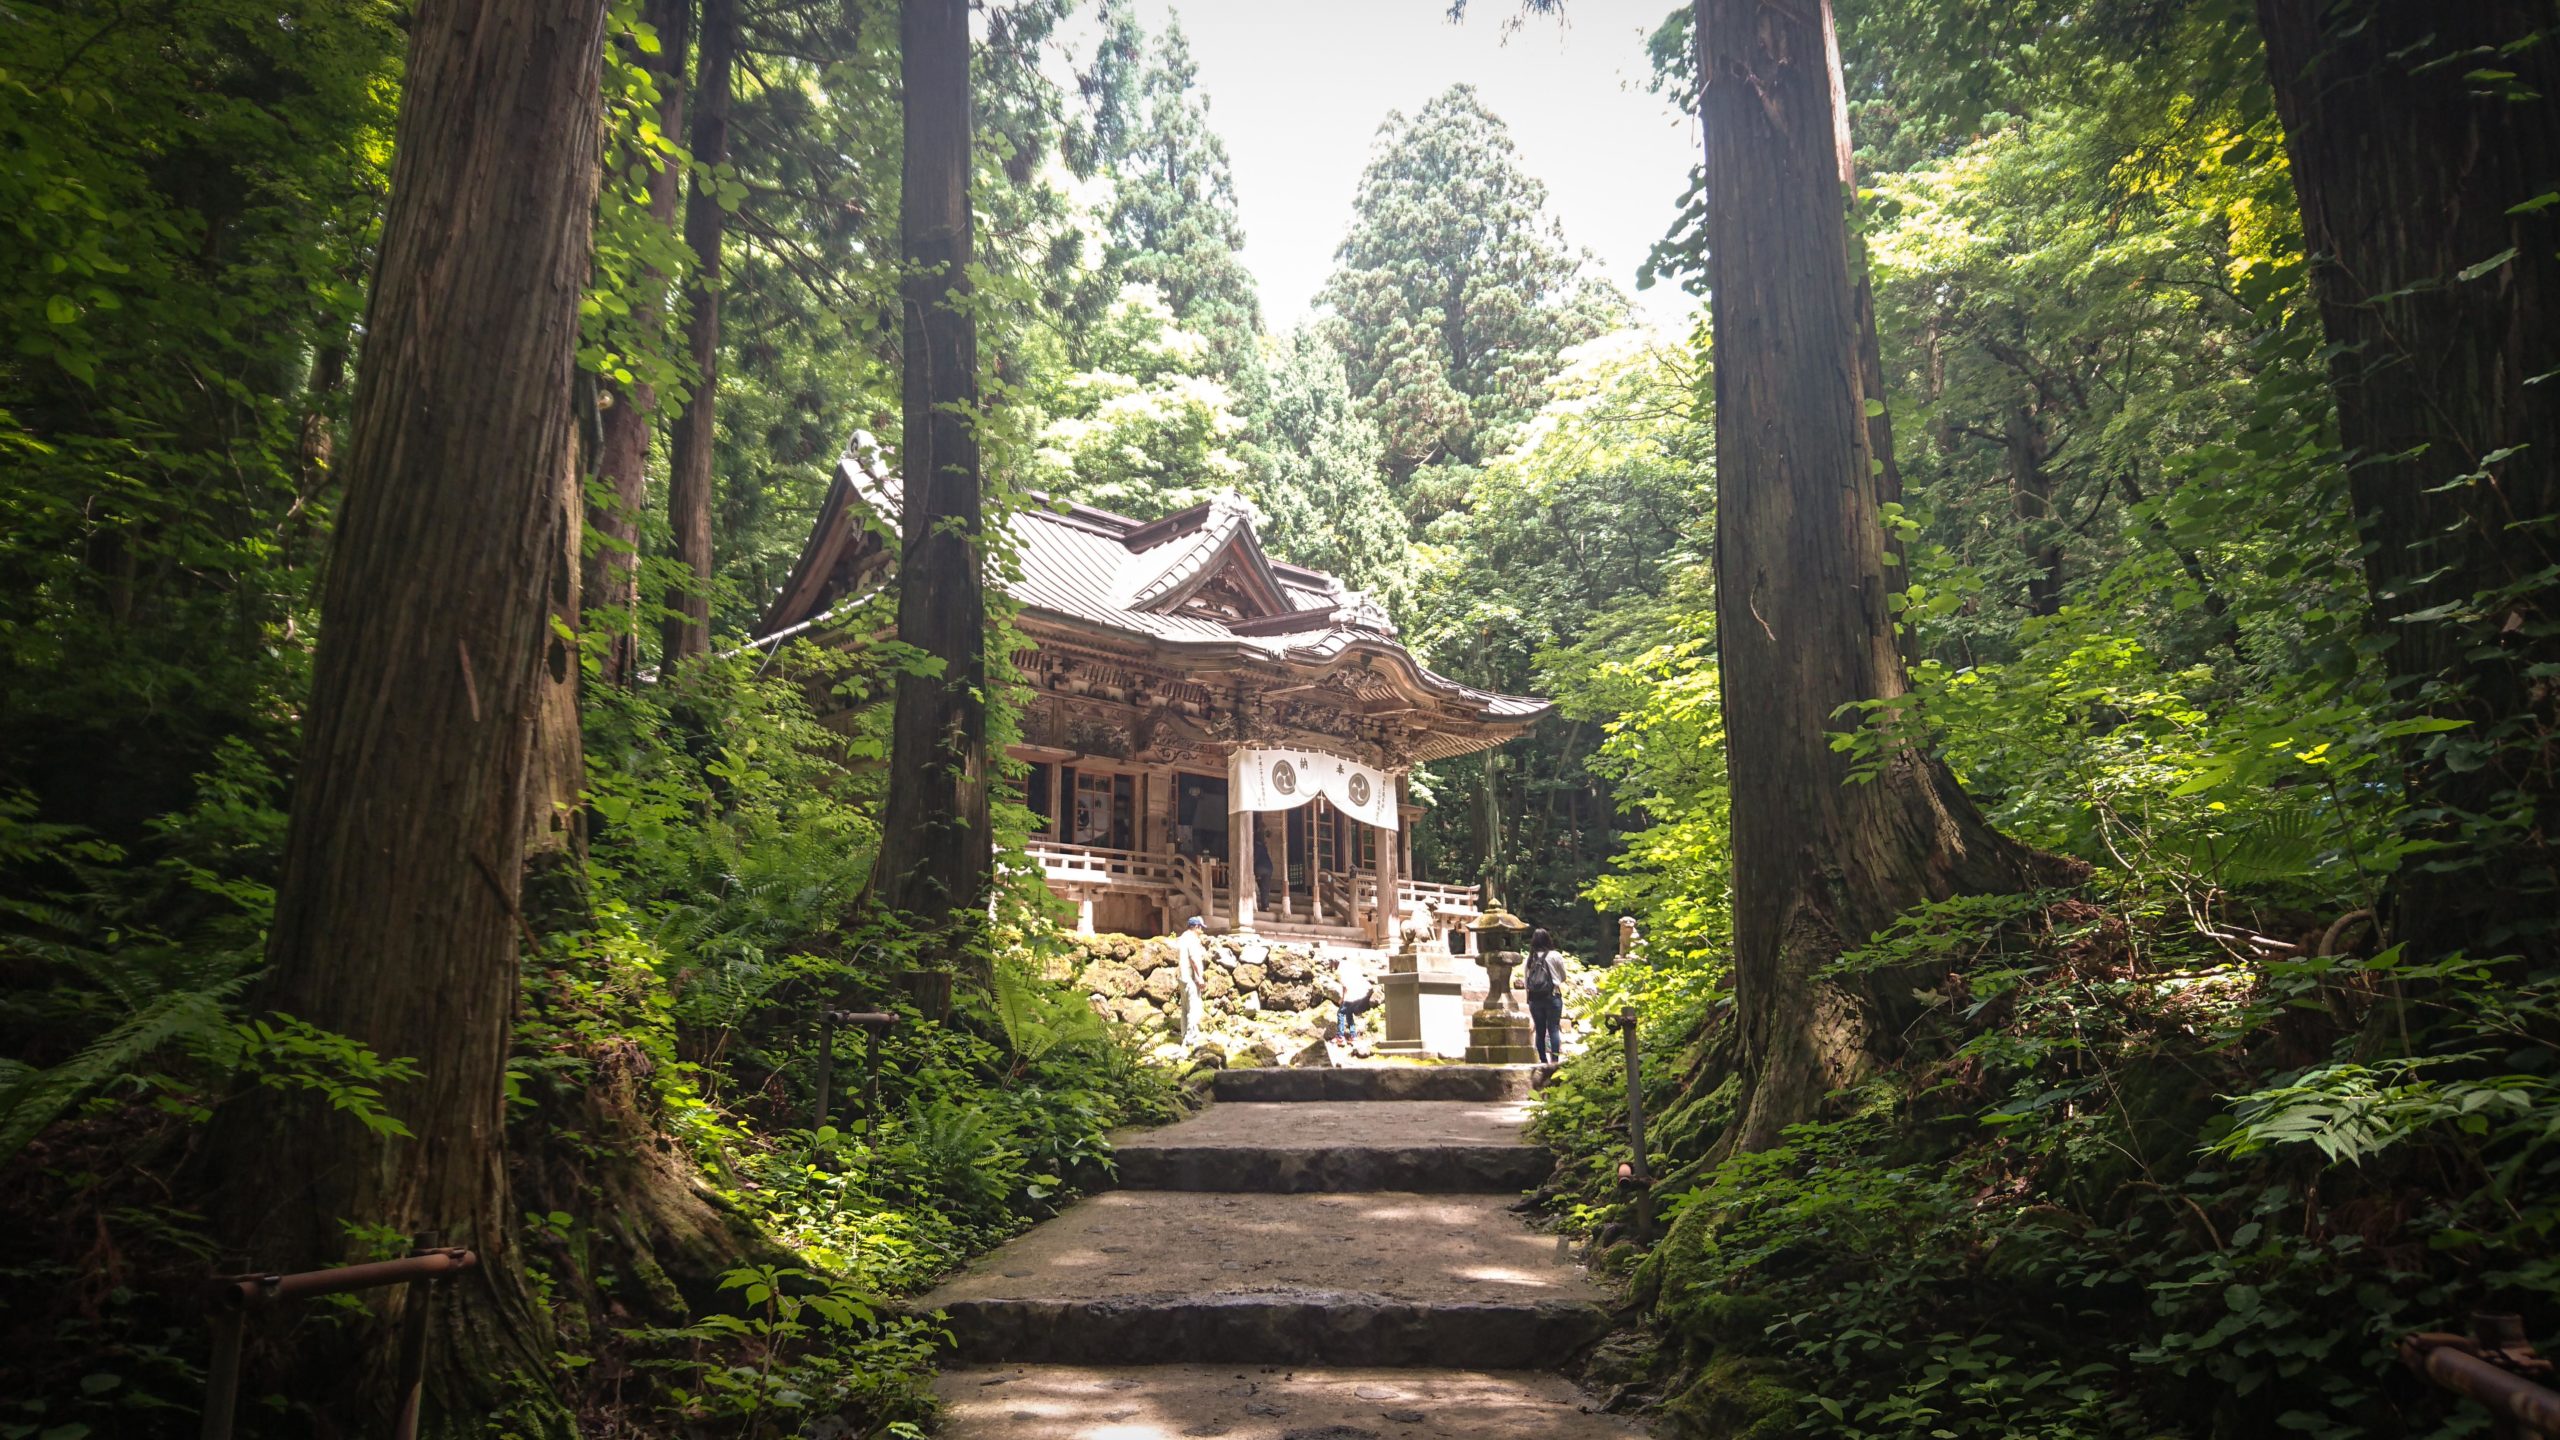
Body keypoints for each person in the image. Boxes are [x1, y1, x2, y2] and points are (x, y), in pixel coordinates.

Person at [1522, 926, 1567, 1065]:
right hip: (1552, 996)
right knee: (1553, 1028)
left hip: (1535, 1000)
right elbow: (1563, 977)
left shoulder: (1530, 958)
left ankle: (1542, 1060)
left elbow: (1526, 982)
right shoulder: (1555, 956)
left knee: (1540, 1030)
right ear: (1548, 939)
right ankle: (1554, 1061)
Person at [1174, 916, 1209, 1047]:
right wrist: (1199, 977)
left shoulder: (1182, 937)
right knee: (1193, 1008)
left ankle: (1184, 1035)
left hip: (1182, 976)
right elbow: (1193, 959)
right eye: (1201, 928)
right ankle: (1191, 1038)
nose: (1201, 931)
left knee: (1185, 1008)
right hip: (1190, 977)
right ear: (1196, 927)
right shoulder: (1192, 940)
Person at [1332, 954, 1380, 1045]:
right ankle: (1353, 1036)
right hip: (1360, 994)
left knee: (1341, 1013)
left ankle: (1340, 1037)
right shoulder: (1351, 966)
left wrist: (1343, 999)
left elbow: (1345, 986)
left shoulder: (1342, 970)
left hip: (1351, 995)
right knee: (1349, 1014)